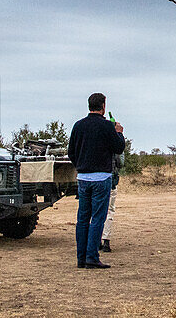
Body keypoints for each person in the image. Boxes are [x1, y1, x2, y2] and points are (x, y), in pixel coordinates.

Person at [67, 92, 125, 269]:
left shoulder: (78, 126)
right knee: (98, 218)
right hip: (101, 177)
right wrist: (119, 133)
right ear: (103, 106)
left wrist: (80, 165)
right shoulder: (107, 126)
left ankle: (81, 257)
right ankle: (92, 256)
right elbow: (119, 148)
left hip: (83, 178)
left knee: (83, 218)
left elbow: (71, 152)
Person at [99, 151, 124, 253]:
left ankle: (95, 240)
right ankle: (106, 241)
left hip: (93, 179)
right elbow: (120, 162)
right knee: (109, 210)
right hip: (110, 179)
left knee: (95, 210)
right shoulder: (114, 139)